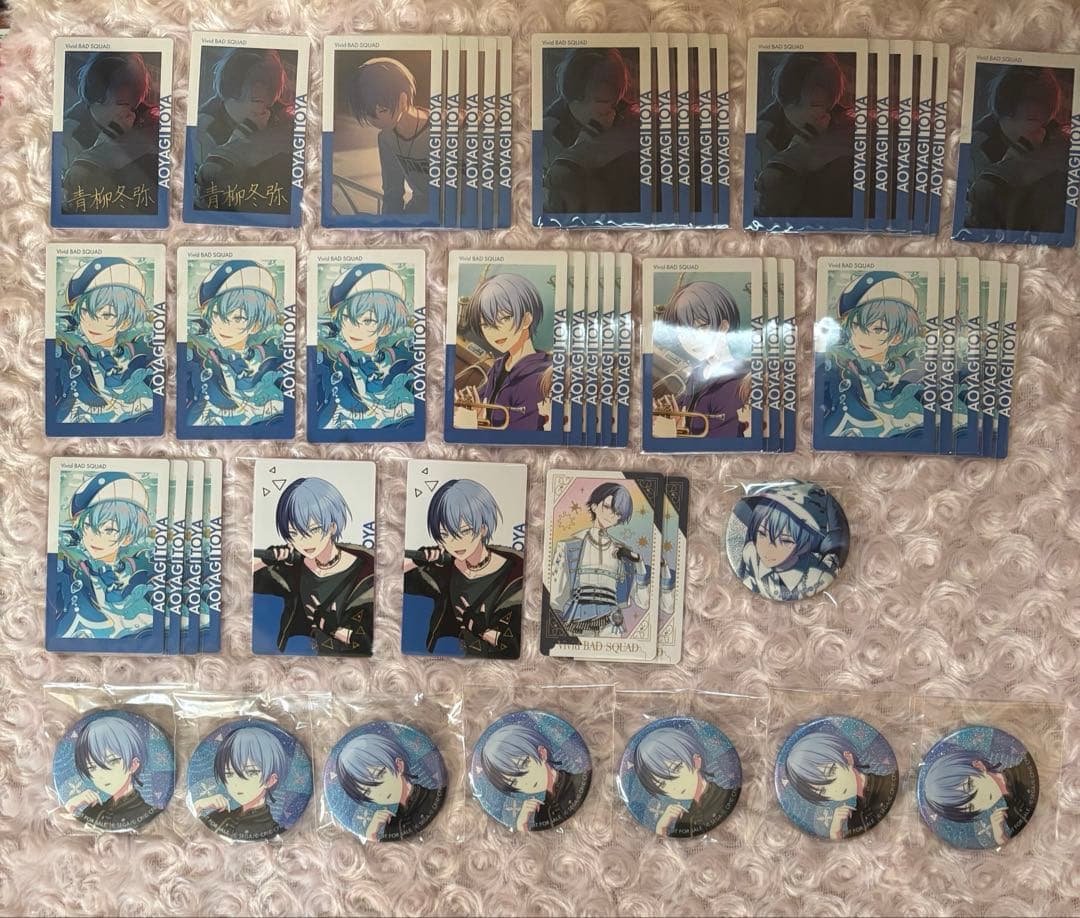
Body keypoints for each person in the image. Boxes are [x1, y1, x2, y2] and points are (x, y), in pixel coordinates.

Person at [253, 477, 373, 655]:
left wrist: (333, 629)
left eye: (314, 529)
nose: (304, 541)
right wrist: (266, 560)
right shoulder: (292, 567)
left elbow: (367, 642)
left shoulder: (365, 571)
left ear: (332, 527)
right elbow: (239, 576)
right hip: (294, 658)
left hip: (345, 663)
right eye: (294, 533)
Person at [403, 479, 523, 657]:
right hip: (447, 659)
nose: (455, 542)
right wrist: (417, 561)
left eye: (465, 531)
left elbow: (515, 645)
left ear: (483, 528)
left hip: (493, 664)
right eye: (445, 535)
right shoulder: (445, 567)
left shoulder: (513, 574)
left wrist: (482, 631)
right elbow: (389, 576)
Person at [818, 270, 926, 439]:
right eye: (856, 326)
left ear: (897, 337)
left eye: (878, 329)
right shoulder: (840, 367)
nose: (862, 337)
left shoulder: (906, 367)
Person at [183, 259, 286, 428]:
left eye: (238, 318)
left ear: (256, 325)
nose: (223, 326)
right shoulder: (200, 359)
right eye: (217, 315)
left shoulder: (269, 360)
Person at [964, 66, 1069, 233]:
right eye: (1026, 98)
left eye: (1042, 100)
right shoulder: (973, 146)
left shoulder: (1063, 145)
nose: (1035, 108)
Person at [53, 256, 155, 426]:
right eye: (85, 312)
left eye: (107, 315)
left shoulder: (137, 353)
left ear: (125, 322)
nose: (91, 323)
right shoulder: (71, 357)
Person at [53, 471, 156, 640]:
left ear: (128, 537)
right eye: (88, 526)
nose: (94, 538)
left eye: (109, 530)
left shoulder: (137, 568)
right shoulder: (71, 570)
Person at [313, 263, 414, 431]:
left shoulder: (398, 360)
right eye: (347, 318)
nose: (353, 329)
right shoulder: (330, 360)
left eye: (368, 321)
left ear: (386, 327)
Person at [753, 53, 855, 218]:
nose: (820, 113)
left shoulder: (845, 127)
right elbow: (764, 206)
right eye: (814, 105)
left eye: (824, 106)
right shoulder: (760, 135)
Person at [542, 48, 641, 215]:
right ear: (575, 97)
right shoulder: (547, 133)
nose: (610, 108)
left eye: (614, 100)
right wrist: (590, 134)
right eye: (601, 100)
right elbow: (553, 192)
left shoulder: (630, 122)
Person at [193, 48, 292, 211]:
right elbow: (206, 188)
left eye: (267, 99)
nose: (261, 108)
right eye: (254, 100)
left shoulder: (280, 121)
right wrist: (245, 133)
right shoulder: (202, 131)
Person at [61, 52, 158, 214]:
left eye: (134, 105)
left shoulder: (146, 119)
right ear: (97, 93)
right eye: (122, 104)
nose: (131, 113)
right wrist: (112, 135)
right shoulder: (68, 135)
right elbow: (74, 191)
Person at [549, 482, 650, 636]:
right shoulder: (568, 547)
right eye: (608, 507)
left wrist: (640, 564)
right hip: (576, 619)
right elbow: (555, 597)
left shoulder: (624, 553)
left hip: (611, 623)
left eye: (618, 513)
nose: (612, 515)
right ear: (594, 506)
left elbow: (643, 602)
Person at [454, 273, 551, 432]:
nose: (494, 331)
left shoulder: (540, 378)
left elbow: (520, 439)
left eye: (504, 318)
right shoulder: (499, 365)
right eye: (486, 325)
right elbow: (482, 403)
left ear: (526, 319)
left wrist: (473, 426)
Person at [653, 281, 748, 439]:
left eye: (699, 328)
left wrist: (671, 437)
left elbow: (723, 449)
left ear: (723, 327)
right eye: (682, 333)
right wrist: (671, 419)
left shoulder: (737, 385)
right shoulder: (698, 372)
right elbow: (684, 417)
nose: (690, 340)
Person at [347, 57, 430, 215]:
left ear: (403, 100)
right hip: (415, 217)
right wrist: (388, 224)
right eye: (368, 114)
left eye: (382, 111)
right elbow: (392, 193)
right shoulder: (386, 138)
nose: (376, 121)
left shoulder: (445, 129)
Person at [735, 485, 846, 602]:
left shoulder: (818, 577)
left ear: (806, 545)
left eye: (785, 540)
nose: (768, 548)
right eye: (762, 533)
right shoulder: (751, 555)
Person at [784, 730, 898, 839]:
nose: (834, 789)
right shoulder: (854, 817)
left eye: (830, 772)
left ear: (848, 759)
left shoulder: (888, 783)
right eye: (823, 790)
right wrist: (835, 832)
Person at [478, 722, 590, 831]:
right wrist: (522, 824)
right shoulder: (541, 811)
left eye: (523, 764)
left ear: (542, 753)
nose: (525, 782)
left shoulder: (579, 782)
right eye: (514, 782)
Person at [336, 731, 446, 841]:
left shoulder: (432, 797)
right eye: (367, 791)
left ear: (399, 765)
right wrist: (371, 833)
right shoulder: (391, 821)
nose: (379, 793)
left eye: (379, 775)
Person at [632, 726, 740, 837]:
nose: (673, 786)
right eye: (662, 784)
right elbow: (670, 846)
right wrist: (661, 827)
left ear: (696, 762)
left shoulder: (725, 797)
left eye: (676, 769)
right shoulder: (684, 818)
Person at [921, 748, 1036, 846]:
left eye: (968, 786)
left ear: (979, 766)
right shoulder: (1010, 815)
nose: (979, 799)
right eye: (971, 807)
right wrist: (1000, 837)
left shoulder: (1024, 770)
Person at [64, 716, 161, 830]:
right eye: (92, 767)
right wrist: (70, 806)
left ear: (133, 764)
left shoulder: (149, 812)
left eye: (112, 761)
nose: (101, 775)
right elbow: (73, 826)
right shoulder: (94, 811)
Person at [193, 725, 288, 840]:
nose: (236, 784)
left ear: (270, 780)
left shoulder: (272, 829)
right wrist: (198, 805)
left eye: (250, 772)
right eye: (229, 774)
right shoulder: (219, 816)